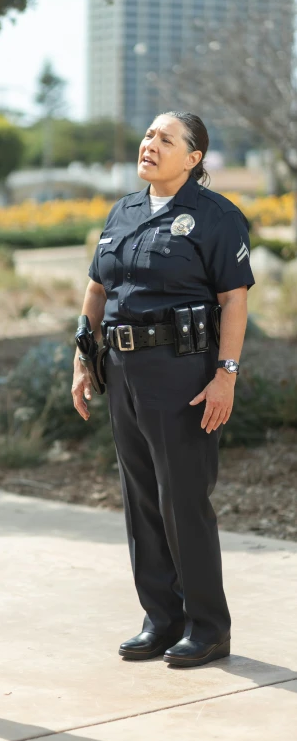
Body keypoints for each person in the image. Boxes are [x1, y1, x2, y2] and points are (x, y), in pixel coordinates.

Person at [72, 111, 255, 669]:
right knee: (141, 500)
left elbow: (235, 302)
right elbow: (97, 289)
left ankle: (207, 626)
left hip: (184, 374)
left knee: (183, 500)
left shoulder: (216, 218)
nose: (150, 144)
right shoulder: (123, 210)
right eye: (149, 135)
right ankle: (161, 617)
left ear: (193, 158)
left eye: (165, 139)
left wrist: (225, 374)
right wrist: (83, 360)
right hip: (124, 371)